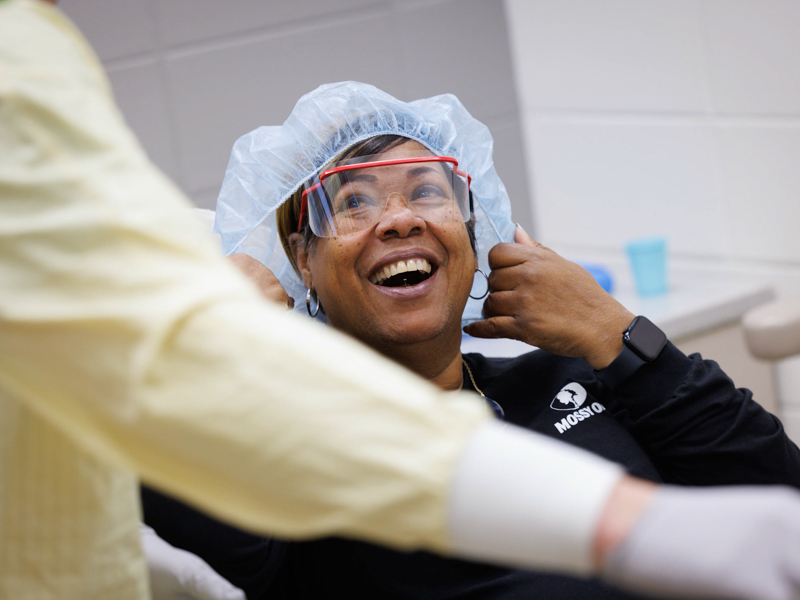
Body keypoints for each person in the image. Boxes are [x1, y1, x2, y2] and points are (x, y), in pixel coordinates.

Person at [4, 2, 800, 599]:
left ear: (477, 230)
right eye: (350, 204)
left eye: (429, 191)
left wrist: (619, 335)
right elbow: (135, 419)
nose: (401, 217)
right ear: (297, 264)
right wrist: (226, 317)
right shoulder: (282, 451)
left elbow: (778, 500)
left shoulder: (569, 377)